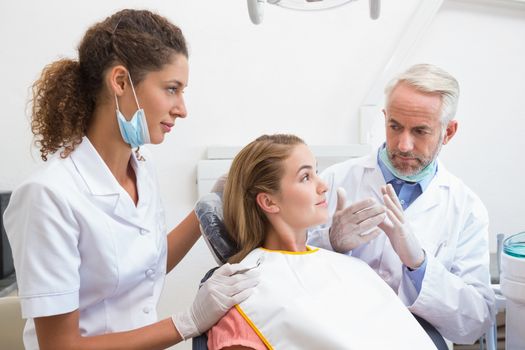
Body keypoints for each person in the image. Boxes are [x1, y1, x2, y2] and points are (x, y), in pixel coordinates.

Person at [3, 9, 258, 350]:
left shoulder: (141, 166)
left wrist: (205, 210)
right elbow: (60, 346)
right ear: (120, 82)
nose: (182, 108)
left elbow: (144, 266)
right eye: (171, 89)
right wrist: (187, 322)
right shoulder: (48, 196)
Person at [308, 63, 495, 345]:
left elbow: (474, 323)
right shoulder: (335, 180)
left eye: (420, 131)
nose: (404, 145)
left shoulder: (466, 208)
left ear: (449, 132)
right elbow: (287, 273)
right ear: (385, 118)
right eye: (395, 127)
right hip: (335, 334)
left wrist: (418, 263)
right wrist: (330, 243)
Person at [204, 134, 436, 349]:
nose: (323, 185)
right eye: (306, 177)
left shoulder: (352, 267)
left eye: (316, 172)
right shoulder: (242, 294)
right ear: (269, 201)